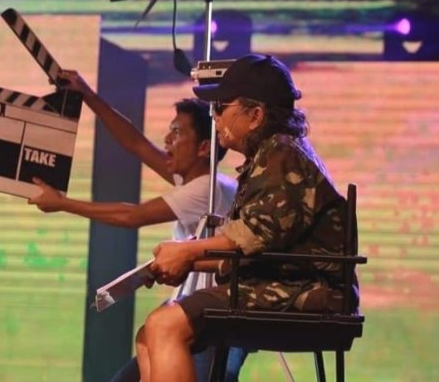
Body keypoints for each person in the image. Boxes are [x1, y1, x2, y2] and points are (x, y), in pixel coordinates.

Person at [135, 54, 358, 382]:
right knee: (148, 336)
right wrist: (184, 261)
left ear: (255, 116)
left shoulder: (282, 156)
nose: (215, 116)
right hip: (282, 281)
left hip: (310, 291)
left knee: (164, 325)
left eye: (222, 107)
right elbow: (252, 247)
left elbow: (251, 237)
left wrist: (186, 253)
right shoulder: (271, 154)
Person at [27, 70, 248, 382]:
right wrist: (88, 95)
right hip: (193, 314)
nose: (167, 140)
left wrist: (63, 203)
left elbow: (132, 216)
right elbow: (135, 143)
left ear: (203, 148)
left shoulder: (205, 189)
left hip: (209, 321)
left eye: (177, 133)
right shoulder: (201, 182)